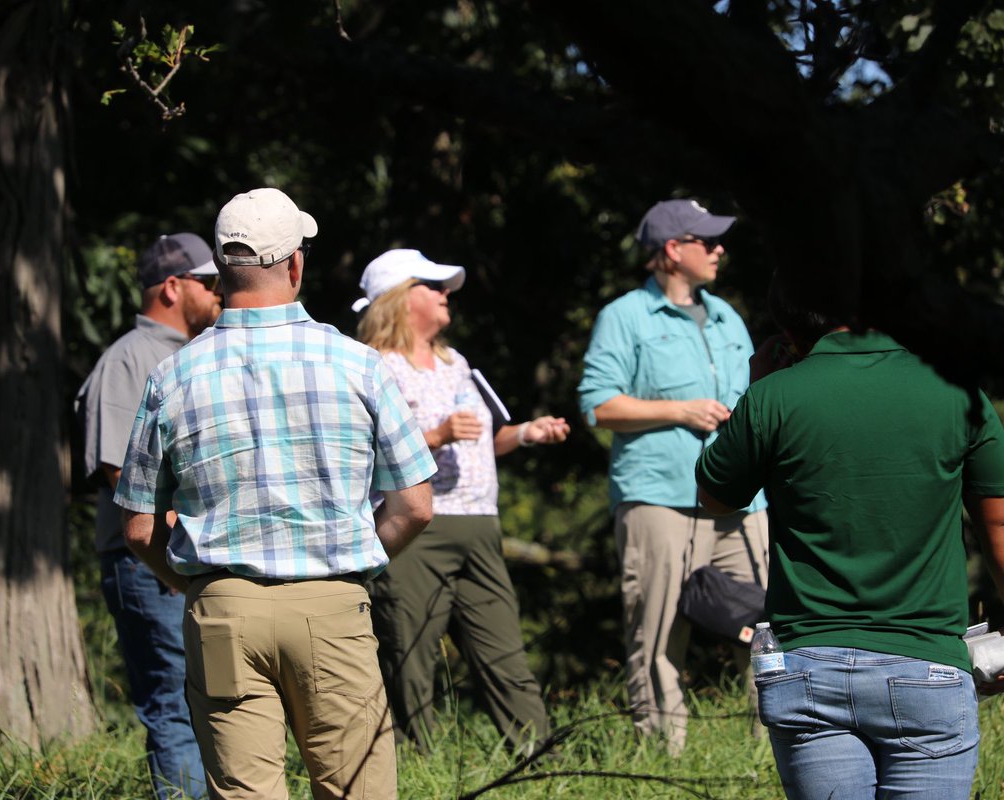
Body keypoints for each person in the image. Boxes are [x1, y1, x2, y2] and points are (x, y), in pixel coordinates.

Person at [115, 189, 436, 800]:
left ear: (220, 266)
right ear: (294, 264)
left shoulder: (172, 374)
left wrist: (199, 584)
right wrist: (351, 557)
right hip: (333, 602)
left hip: (222, 609)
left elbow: (137, 527)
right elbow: (415, 505)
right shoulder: (358, 365)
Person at [696, 273, 1004, 800]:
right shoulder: (959, 394)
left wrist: (759, 385)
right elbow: (998, 526)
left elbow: (717, 495)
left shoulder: (773, 396)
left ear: (789, 328)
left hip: (809, 669)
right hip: (926, 666)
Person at [352, 248, 569, 756]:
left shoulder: (457, 363)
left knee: (504, 653)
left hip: (479, 525)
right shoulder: (373, 367)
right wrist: (436, 434)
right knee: (411, 656)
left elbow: (482, 443)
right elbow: (365, 451)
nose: (446, 293)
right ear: (399, 299)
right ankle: (413, 766)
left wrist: (528, 435)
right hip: (414, 527)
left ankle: (541, 760)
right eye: (433, 285)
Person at [576, 199, 768, 754]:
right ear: (671, 250)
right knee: (658, 636)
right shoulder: (625, 316)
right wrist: (680, 411)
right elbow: (599, 406)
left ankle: (778, 753)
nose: (718, 249)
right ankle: (667, 762)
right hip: (660, 499)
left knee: (766, 634)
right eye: (705, 241)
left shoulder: (729, 315)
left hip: (741, 504)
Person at [75, 232, 222, 799]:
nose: (218, 295)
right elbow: (118, 469)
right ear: (172, 285)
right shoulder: (129, 359)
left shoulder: (193, 353)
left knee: (208, 700)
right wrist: (166, 535)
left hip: (190, 558)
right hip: (147, 562)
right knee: (176, 703)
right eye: (208, 284)